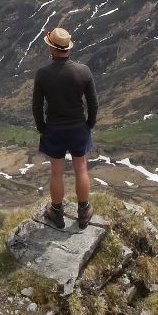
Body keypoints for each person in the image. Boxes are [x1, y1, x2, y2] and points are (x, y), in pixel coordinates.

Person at [32, 26, 98, 229]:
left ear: (52, 48)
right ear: (68, 48)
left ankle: (57, 212)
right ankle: (84, 211)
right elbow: (93, 103)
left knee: (56, 172)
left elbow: (36, 106)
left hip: (54, 129)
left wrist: (42, 128)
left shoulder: (43, 74)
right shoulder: (83, 71)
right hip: (78, 127)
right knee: (81, 170)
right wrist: (89, 124)